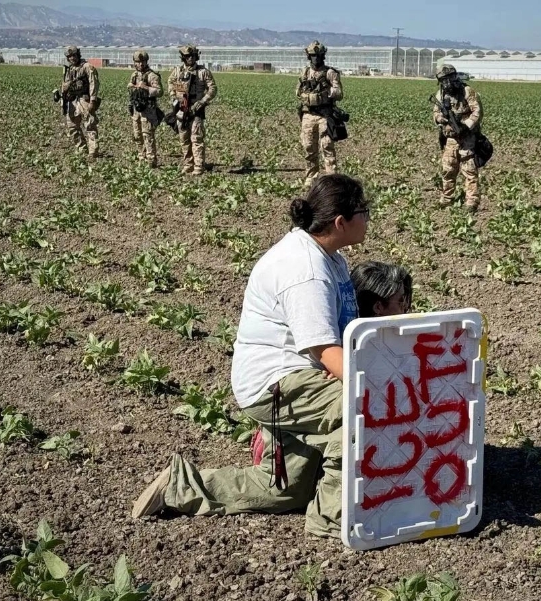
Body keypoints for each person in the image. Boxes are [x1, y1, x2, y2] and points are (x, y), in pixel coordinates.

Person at [132, 174, 369, 538]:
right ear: (341, 222)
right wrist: (375, 380)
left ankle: (180, 486)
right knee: (362, 409)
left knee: (285, 489)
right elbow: (323, 348)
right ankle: (333, 519)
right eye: (364, 211)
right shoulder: (305, 270)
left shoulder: (329, 257)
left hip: (297, 377)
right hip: (276, 384)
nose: (368, 219)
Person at [250, 260, 413, 466]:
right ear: (378, 307)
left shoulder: (347, 334)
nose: (407, 308)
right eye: (401, 301)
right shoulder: (345, 351)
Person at [433, 64, 483, 212]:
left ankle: (471, 202)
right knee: (448, 169)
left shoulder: (467, 91)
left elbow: (477, 112)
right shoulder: (440, 94)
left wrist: (465, 125)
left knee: (469, 170)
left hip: (467, 138)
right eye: (444, 80)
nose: (447, 82)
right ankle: (447, 199)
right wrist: (442, 118)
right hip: (450, 139)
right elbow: (435, 114)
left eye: (449, 78)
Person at [296, 41, 343, 187]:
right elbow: (297, 91)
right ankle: (311, 177)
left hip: (324, 115)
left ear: (323, 56)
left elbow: (339, 93)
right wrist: (307, 96)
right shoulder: (305, 72)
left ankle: (331, 180)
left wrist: (325, 94)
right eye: (313, 56)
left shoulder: (330, 73)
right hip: (308, 115)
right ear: (309, 57)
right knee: (309, 147)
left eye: (318, 55)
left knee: (327, 146)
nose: (315, 58)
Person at [167, 45, 217, 176]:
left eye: (192, 56)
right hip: (181, 110)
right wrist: (173, 97)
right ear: (183, 58)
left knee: (196, 139)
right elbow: (170, 83)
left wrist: (203, 101)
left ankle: (199, 166)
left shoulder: (203, 72)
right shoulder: (177, 71)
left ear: (196, 57)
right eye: (187, 56)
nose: (190, 58)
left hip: (196, 110)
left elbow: (212, 89)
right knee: (184, 139)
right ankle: (188, 165)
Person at [59, 46, 100, 159]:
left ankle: (93, 150)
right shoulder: (69, 69)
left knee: (90, 125)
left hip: (84, 99)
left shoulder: (87, 67)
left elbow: (94, 83)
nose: (72, 58)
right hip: (73, 101)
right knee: (72, 126)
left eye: (74, 55)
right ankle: (81, 148)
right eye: (69, 56)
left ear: (78, 55)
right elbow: (64, 86)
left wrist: (93, 100)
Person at [127, 50, 163, 167]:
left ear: (146, 62)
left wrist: (146, 88)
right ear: (134, 63)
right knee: (137, 135)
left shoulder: (152, 75)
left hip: (148, 110)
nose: (141, 64)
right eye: (138, 62)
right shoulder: (134, 75)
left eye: (143, 61)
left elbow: (159, 91)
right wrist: (132, 87)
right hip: (136, 109)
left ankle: (151, 160)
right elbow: (131, 89)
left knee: (147, 134)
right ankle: (141, 157)